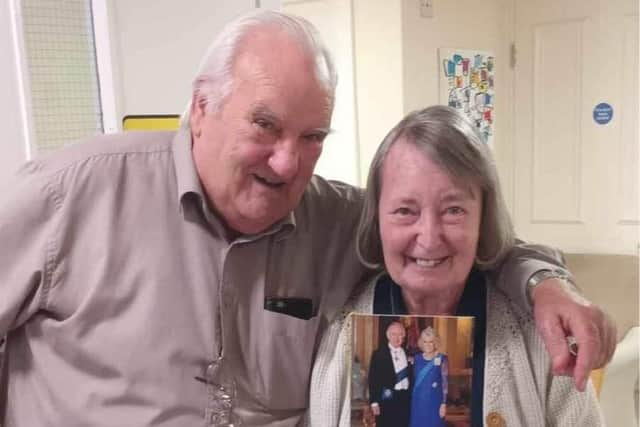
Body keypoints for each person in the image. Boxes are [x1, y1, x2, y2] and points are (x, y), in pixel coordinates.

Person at [0, 10, 614, 427]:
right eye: (264, 125)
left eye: (313, 136)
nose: (287, 161)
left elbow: (457, 247)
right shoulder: (69, 196)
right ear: (201, 105)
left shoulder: (339, 221)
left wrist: (543, 282)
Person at [307, 106, 605, 426]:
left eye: (453, 210)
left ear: (483, 218)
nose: (430, 238)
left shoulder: (539, 335)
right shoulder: (342, 332)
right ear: (377, 219)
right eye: (405, 210)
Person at [367, 321, 411, 427]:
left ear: (404, 336)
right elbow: (373, 379)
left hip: (405, 399)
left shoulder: (408, 353)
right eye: (394, 334)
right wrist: (374, 402)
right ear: (388, 336)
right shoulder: (379, 354)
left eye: (400, 334)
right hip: (387, 398)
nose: (397, 338)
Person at [409, 327, 447, 427]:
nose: (428, 345)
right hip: (418, 400)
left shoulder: (442, 358)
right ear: (421, 343)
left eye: (431, 342)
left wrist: (443, 404)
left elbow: (445, 382)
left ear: (435, 342)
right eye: (425, 342)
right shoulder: (416, 358)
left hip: (434, 401)